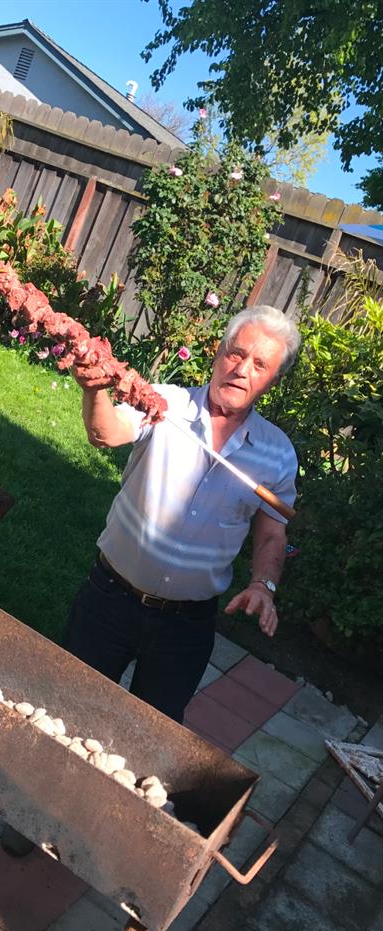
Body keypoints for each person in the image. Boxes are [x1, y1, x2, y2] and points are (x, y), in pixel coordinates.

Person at [63, 305, 301, 724]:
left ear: (273, 381)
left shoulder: (277, 454)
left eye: (259, 364)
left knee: (150, 732)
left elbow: (271, 533)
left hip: (186, 627)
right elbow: (106, 433)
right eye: (235, 353)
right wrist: (95, 391)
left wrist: (263, 584)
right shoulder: (165, 404)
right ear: (218, 352)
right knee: (65, 706)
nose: (241, 369)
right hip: (109, 600)